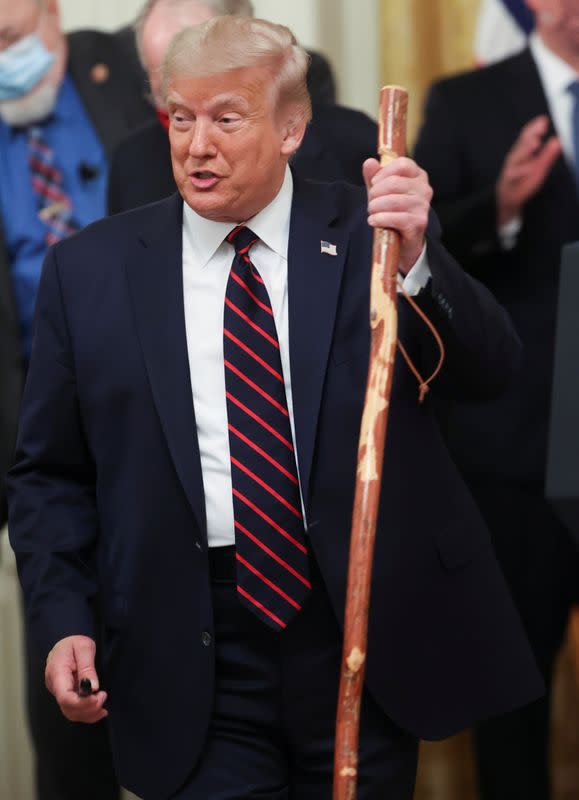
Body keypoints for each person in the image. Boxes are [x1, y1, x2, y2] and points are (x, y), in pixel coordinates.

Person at [8, 15, 543, 800]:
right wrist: (63, 616)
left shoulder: (370, 236)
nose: (196, 146)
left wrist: (421, 253)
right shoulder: (89, 273)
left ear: (290, 127)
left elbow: (490, 370)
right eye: (180, 119)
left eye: (226, 118)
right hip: (189, 639)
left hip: (358, 630)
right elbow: (49, 473)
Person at [414, 1, 579, 798]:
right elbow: (419, 248)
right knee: (513, 692)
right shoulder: (465, 99)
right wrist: (503, 206)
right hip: (516, 449)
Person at [0, 1, 154, 798]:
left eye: (11, 38)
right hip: (44, 450)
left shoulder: (130, 67)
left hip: (164, 426)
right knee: (69, 711)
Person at [107, 0, 377, 215]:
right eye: (163, 91)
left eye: (224, 118)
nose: (197, 145)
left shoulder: (355, 145)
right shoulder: (131, 162)